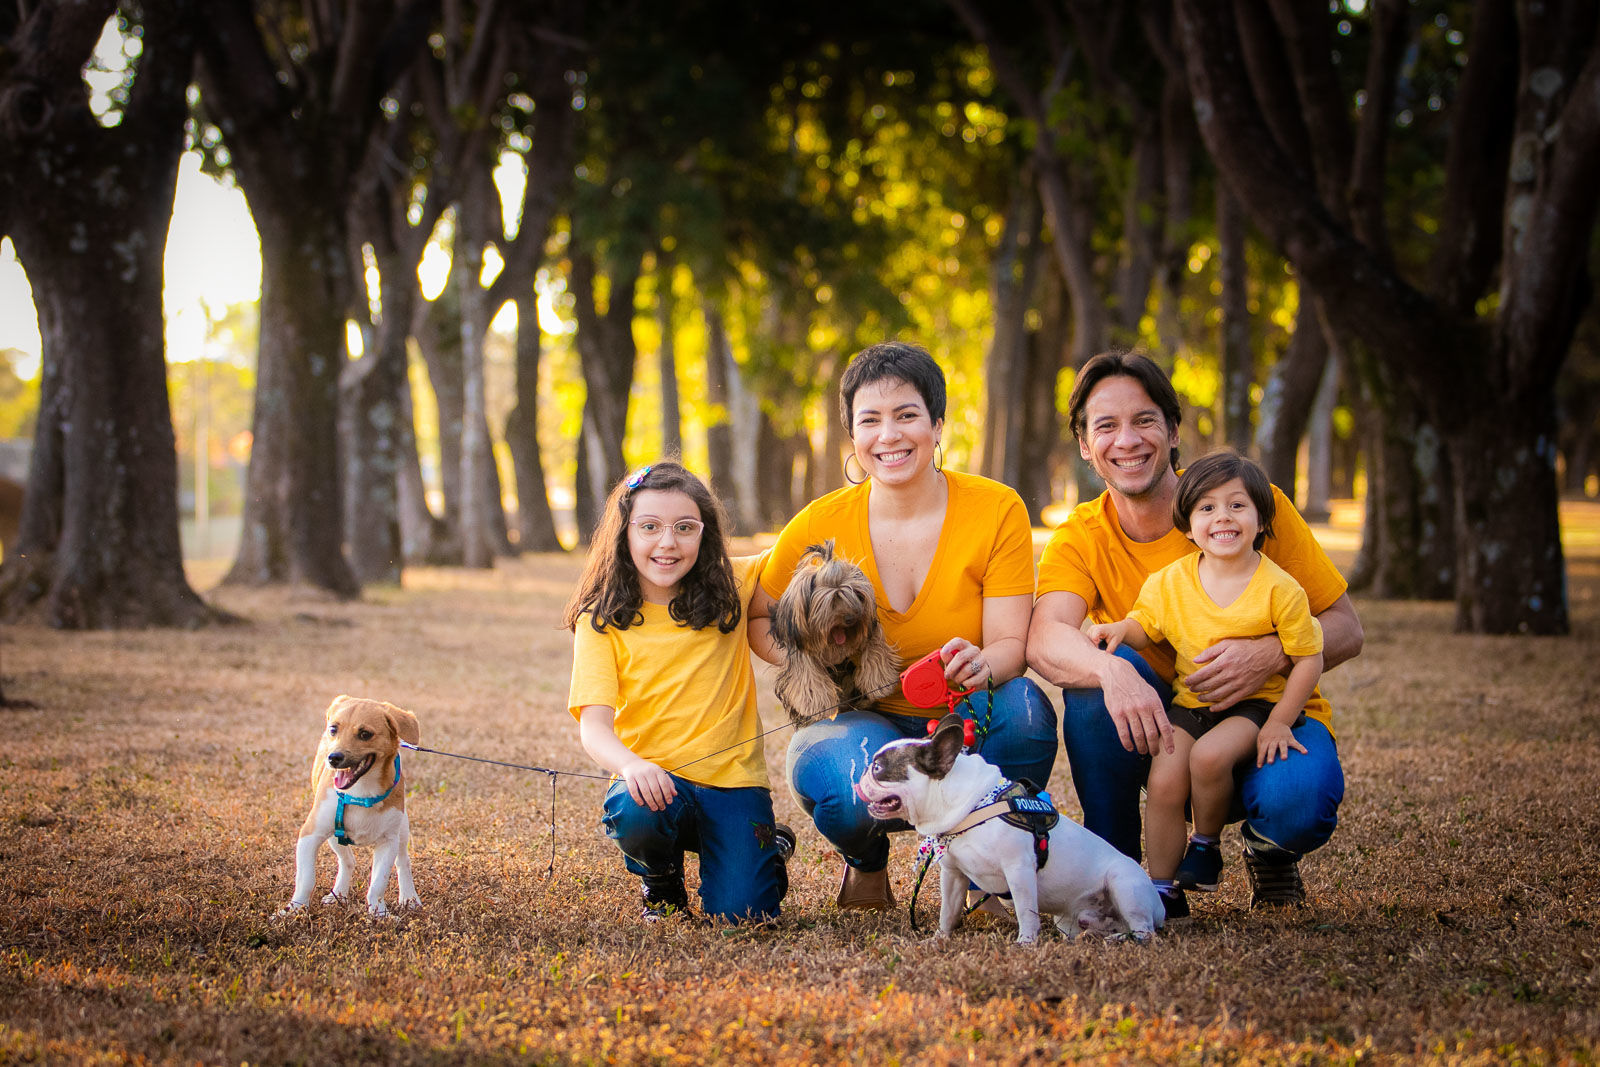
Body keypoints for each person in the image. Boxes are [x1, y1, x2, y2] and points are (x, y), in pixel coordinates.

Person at [1028, 349, 1363, 918]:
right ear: (1085, 445)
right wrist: (1110, 670)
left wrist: (1271, 654)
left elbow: (1346, 628)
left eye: (1144, 420)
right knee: (1093, 682)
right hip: (1169, 721)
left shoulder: (1244, 508)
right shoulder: (1081, 536)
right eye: (1105, 426)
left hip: (1265, 715)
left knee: (1297, 803)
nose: (1127, 440)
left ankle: (1269, 845)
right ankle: (1121, 871)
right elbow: (1045, 638)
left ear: (1173, 430)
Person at [749, 341, 1058, 911]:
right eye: (870, 420)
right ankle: (866, 865)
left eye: (907, 415)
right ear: (853, 436)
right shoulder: (819, 522)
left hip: (964, 709)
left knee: (1028, 713)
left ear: (937, 424)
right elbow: (761, 618)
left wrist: (985, 662)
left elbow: (1012, 642)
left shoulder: (997, 509)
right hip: (858, 715)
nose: (889, 436)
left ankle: (985, 857)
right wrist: (814, 661)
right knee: (846, 789)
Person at [1085, 450, 1324, 913]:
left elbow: (1308, 659)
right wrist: (1119, 631)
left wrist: (1279, 722)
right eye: (1207, 508)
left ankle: (1206, 846)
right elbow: (1145, 624)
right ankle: (1161, 890)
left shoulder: (1280, 588)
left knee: (1211, 757)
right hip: (1191, 704)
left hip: (1253, 706)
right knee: (1165, 780)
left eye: (1237, 505)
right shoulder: (1171, 580)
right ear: (1189, 525)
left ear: (1261, 518)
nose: (1223, 518)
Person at [565, 461, 792, 923]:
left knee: (744, 917)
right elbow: (594, 729)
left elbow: (805, 537)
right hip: (654, 787)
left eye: (685, 528)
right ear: (623, 533)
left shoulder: (736, 584)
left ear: (705, 534)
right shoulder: (602, 620)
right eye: (649, 527)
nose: (667, 543)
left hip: (735, 784)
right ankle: (662, 884)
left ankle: (765, 852)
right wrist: (631, 765)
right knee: (636, 812)